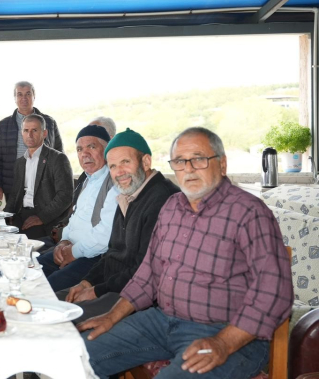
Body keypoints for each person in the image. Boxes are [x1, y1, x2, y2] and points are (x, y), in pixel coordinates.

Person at [80, 127, 293, 379]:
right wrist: (111, 317)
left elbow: (275, 291)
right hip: (161, 322)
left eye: (199, 159)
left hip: (226, 332)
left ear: (222, 164)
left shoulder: (249, 212)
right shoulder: (171, 207)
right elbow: (148, 274)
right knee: (74, 356)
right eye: (180, 161)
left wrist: (223, 342)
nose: (188, 169)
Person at [65, 129, 179, 322]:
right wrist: (87, 282)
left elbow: (143, 270)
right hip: (113, 287)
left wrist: (96, 291)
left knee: (63, 318)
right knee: (49, 302)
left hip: (135, 300)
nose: (119, 172)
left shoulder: (163, 199)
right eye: (113, 166)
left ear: (146, 162)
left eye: (125, 162)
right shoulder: (129, 194)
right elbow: (113, 253)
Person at [36, 124, 119, 292]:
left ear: (106, 151)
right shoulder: (87, 180)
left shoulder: (115, 183)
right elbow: (74, 219)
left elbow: (104, 237)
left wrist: (73, 252)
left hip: (94, 257)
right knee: (27, 271)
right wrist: (64, 241)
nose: (84, 154)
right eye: (80, 149)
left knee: (45, 290)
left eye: (91, 147)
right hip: (70, 248)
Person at [0, 81, 63, 201]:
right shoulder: (3, 126)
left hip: (44, 186)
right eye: (19, 94)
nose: (24, 98)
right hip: (13, 186)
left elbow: (59, 155)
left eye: (28, 94)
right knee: (14, 214)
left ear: (34, 96)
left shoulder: (49, 123)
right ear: (15, 98)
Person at [5, 114, 74, 239]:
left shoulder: (57, 159)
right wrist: (3, 216)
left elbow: (65, 196)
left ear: (44, 133)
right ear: (22, 133)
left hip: (45, 219)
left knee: (21, 242)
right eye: (26, 130)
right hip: (20, 215)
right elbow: (15, 195)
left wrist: (41, 217)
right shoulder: (20, 162)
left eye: (34, 130)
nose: (30, 135)